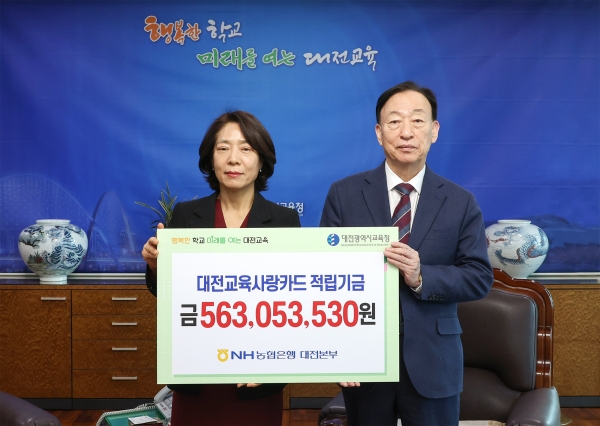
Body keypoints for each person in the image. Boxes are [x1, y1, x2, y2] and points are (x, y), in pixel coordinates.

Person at [320, 81, 493, 426]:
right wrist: (340, 350)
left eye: (417, 120)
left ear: (434, 130)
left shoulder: (460, 202)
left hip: (434, 361)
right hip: (364, 360)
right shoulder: (344, 195)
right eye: (394, 121)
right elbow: (325, 277)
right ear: (379, 133)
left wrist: (421, 276)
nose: (406, 132)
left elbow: (478, 277)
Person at [142, 110, 301, 426]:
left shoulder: (284, 221)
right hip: (196, 375)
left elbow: (295, 301)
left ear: (261, 160)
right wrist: (156, 266)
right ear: (210, 159)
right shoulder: (186, 215)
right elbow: (169, 294)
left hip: (256, 378)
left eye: (246, 148)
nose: (233, 158)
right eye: (223, 148)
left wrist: (273, 363)